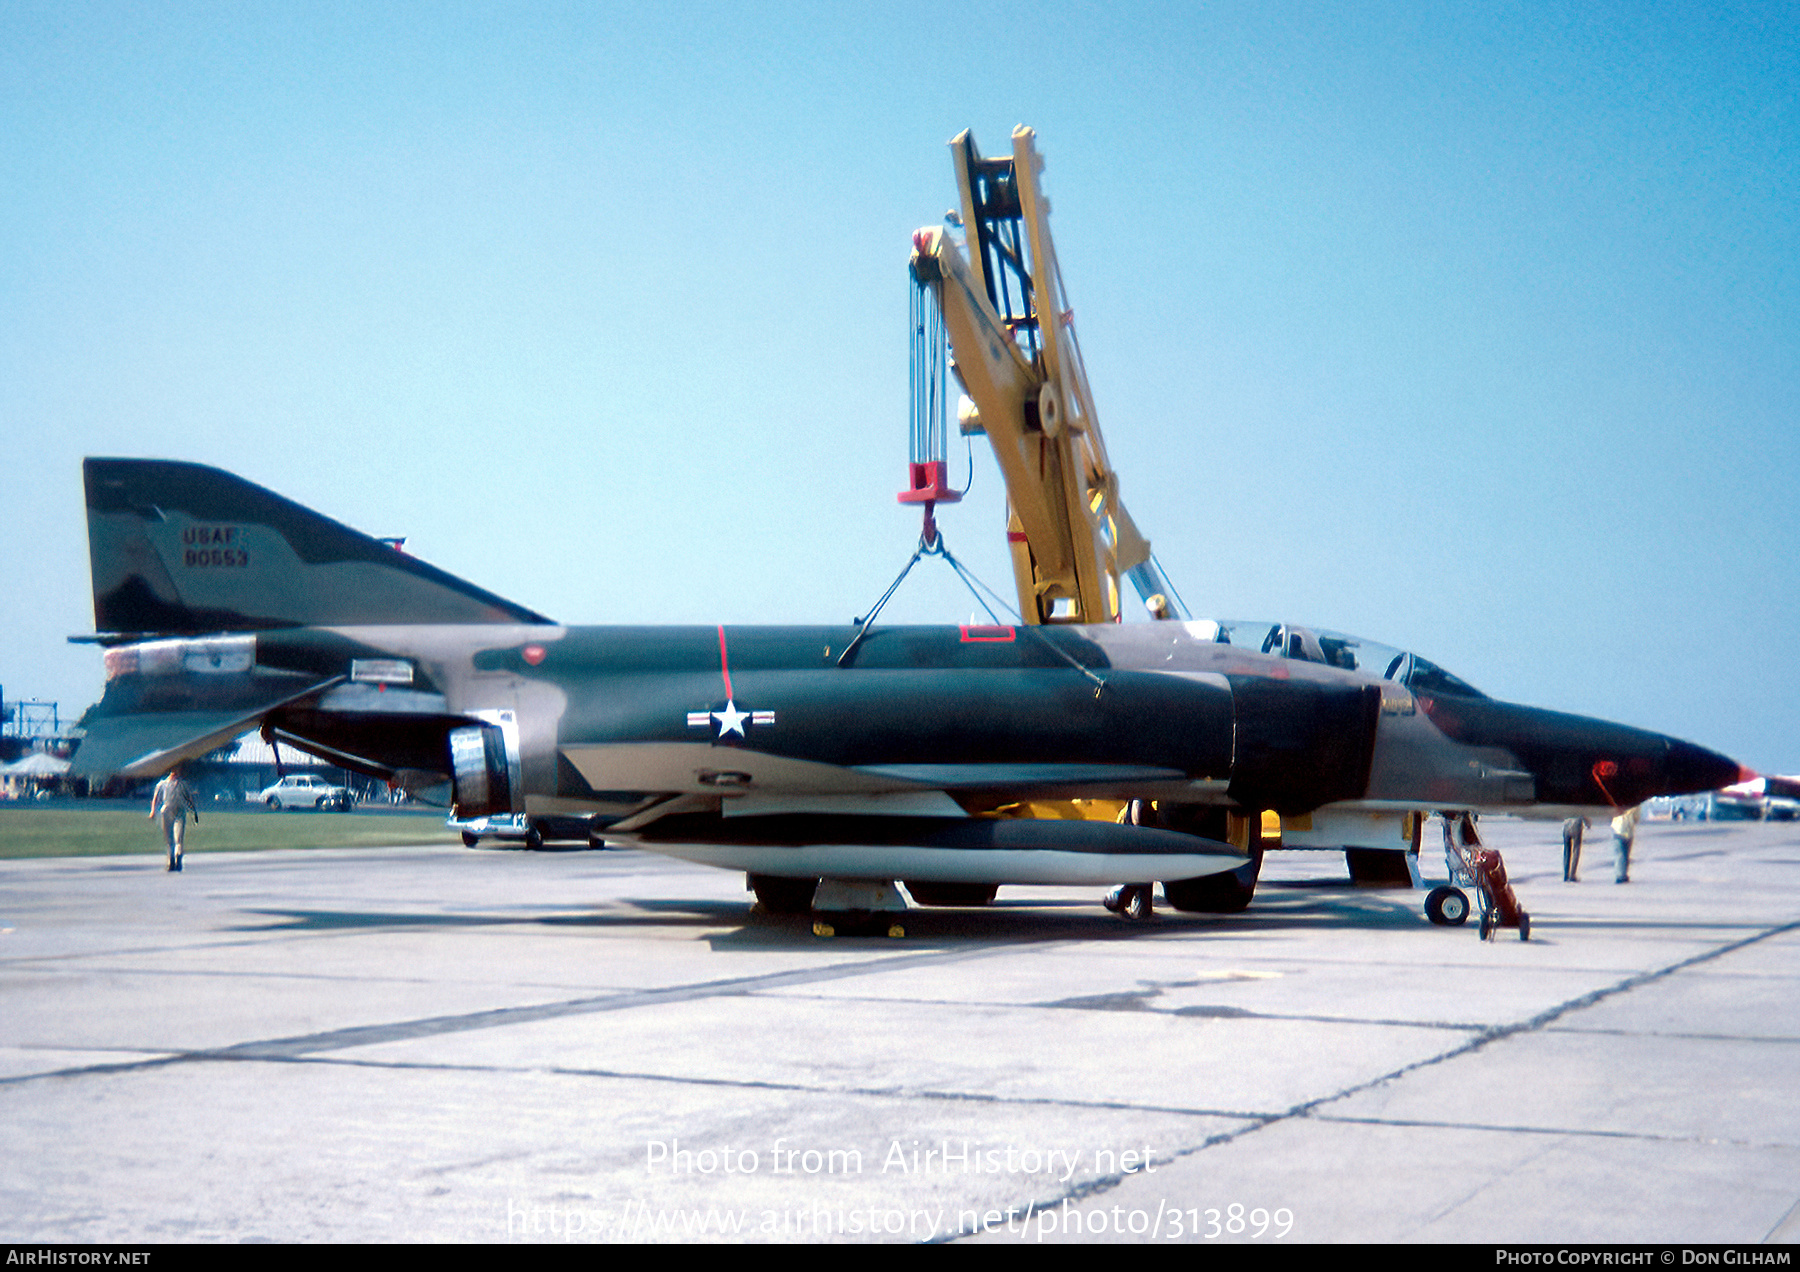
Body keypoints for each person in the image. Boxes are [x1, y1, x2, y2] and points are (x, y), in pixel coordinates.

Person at [149, 766, 199, 872]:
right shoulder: (163, 784)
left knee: (179, 838)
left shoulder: (182, 784)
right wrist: (153, 811)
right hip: (167, 811)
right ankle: (171, 860)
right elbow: (156, 799)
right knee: (169, 838)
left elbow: (189, 798)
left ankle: (178, 858)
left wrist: (193, 810)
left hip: (179, 811)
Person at [1610, 804, 1641, 884]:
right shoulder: (1635, 804)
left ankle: (1620, 874)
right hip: (1628, 830)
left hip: (1617, 828)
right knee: (1626, 853)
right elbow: (1636, 817)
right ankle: (1623, 874)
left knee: (1620, 853)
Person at [1561, 816, 1590, 882]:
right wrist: (1587, 822)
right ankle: (1572, 875)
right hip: (1576, 823)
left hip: (1566, 823)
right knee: (1576, 849)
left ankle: (1566, 875)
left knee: (1567, 850)